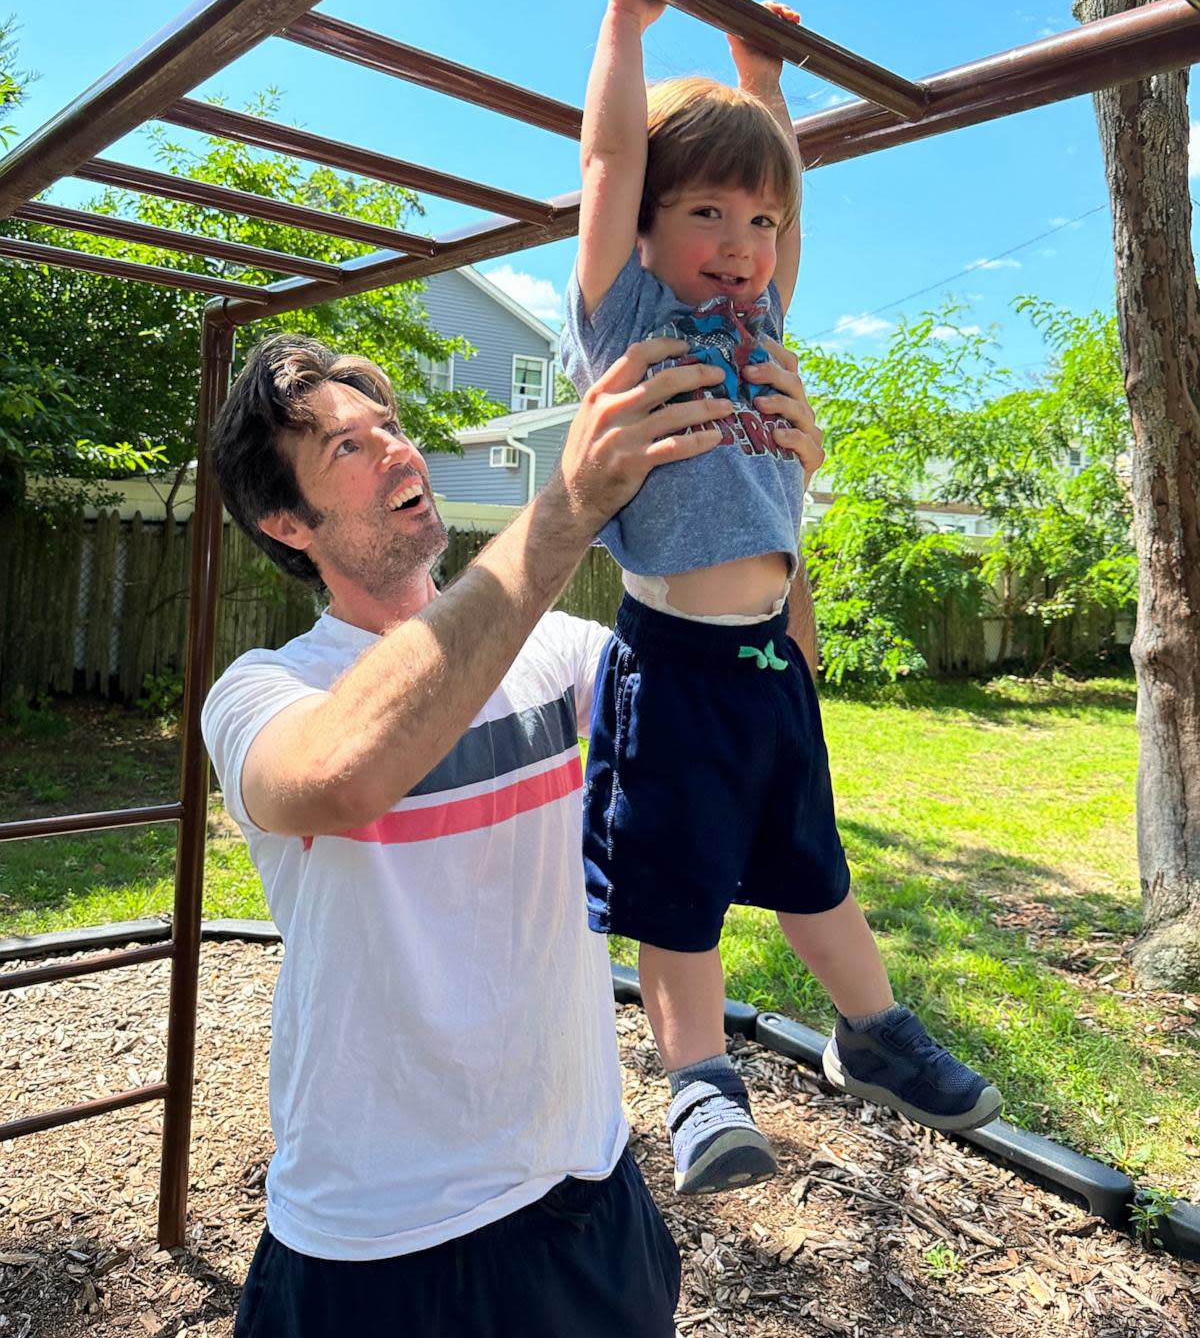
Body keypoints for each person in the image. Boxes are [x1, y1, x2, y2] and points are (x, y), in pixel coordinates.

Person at [200, 327, 824, 1338]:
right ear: (286, 520)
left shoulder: (561, 654)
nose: (398, 450)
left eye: (389, 426)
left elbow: (760, 705)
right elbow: (338, 776)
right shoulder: (265, 693)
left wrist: (767, 506)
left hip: (582, 1192)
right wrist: (568, 507)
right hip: (373, 1237)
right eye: (345, 449)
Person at [559, 0, 1001, 1200]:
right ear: (645, 233)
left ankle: (875, 1031)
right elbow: (607, 159)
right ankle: (700, 1081)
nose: (742, 241)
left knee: (811, 862)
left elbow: (783, 193)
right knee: (676, 882)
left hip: (767, 659)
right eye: (706, 213)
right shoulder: (628, 319)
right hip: (675, 664)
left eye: (757, 221)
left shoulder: (762, 325)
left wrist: (765, 72)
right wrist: (628, 23)